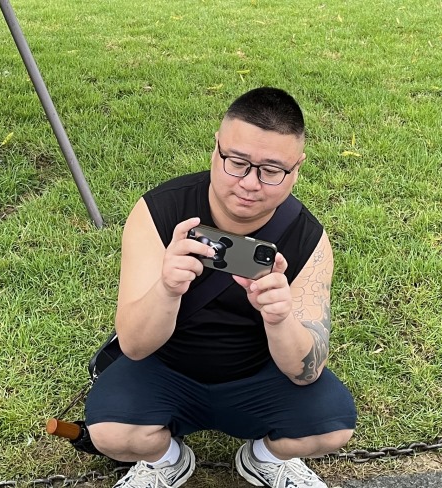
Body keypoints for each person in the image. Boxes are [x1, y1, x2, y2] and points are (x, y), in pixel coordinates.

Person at [85, 87, 357, 488]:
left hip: (257, 374)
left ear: (297, 168)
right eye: (237, 162)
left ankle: (264, 459)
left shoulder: (308, 239)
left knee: (331, 427)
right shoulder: (159, 211)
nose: (250, 183)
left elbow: (307, 371)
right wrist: (167, 289)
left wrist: (280, 318)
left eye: (271, 170)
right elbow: (134, 346)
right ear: (216, 148)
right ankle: (166, 460)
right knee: (111, 432)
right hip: (166, 367)